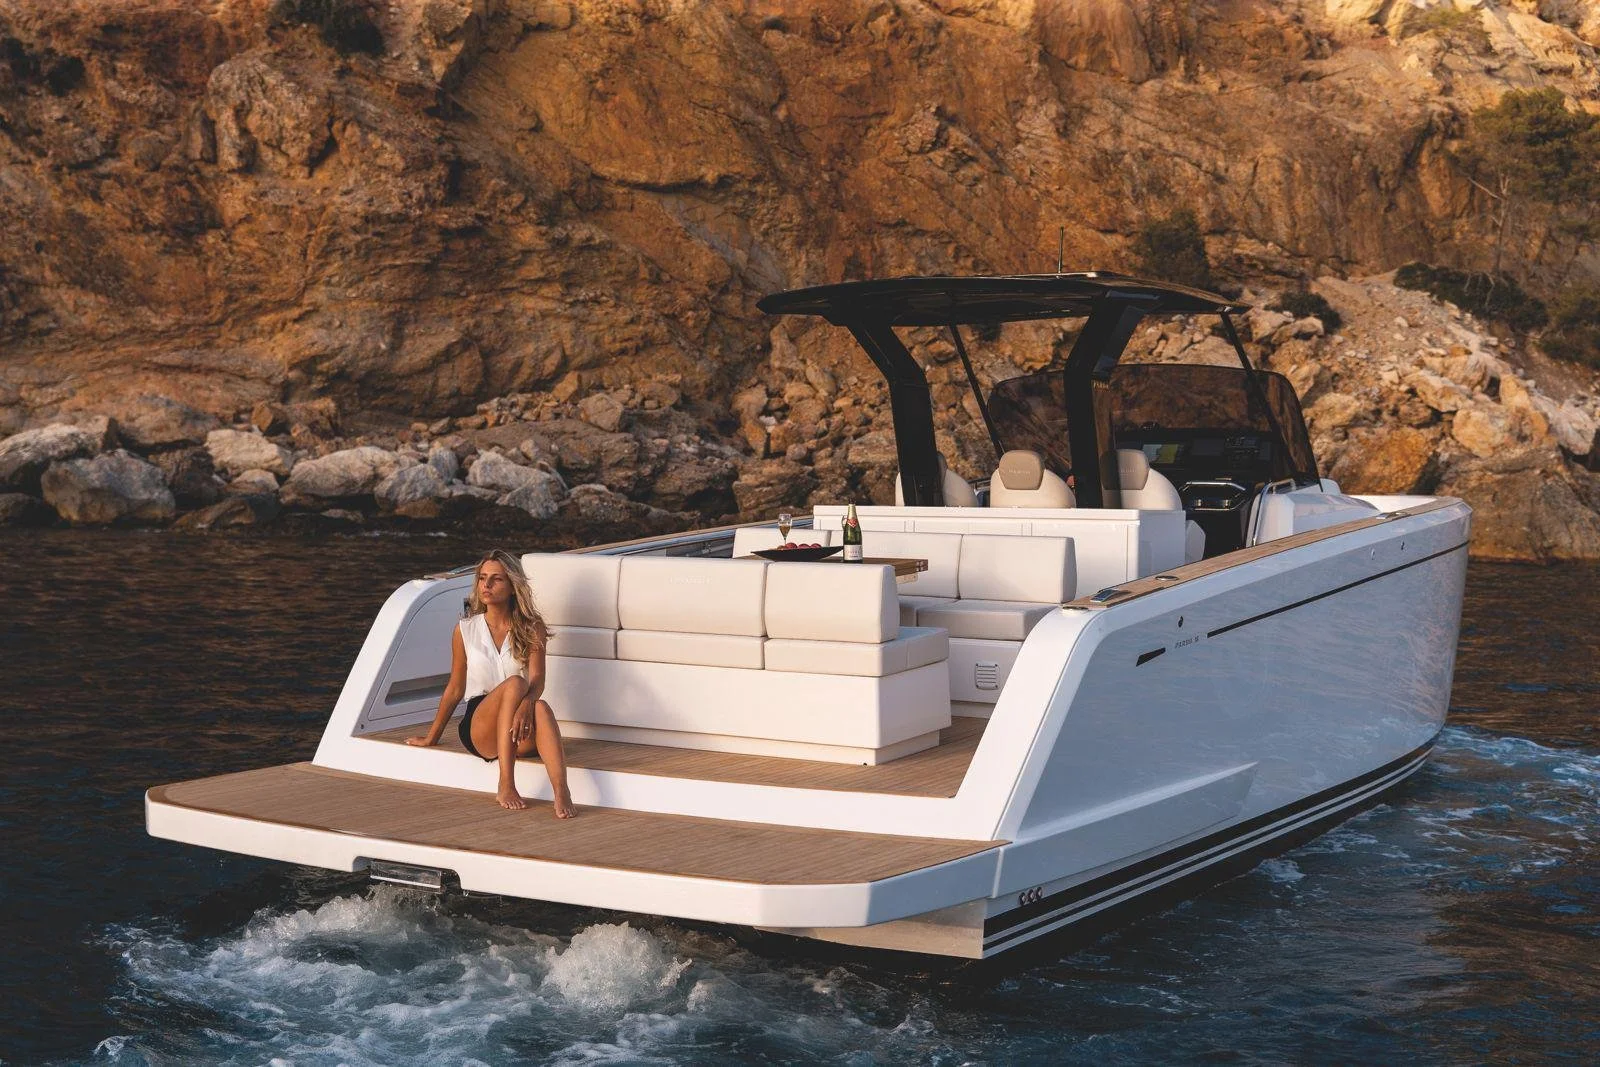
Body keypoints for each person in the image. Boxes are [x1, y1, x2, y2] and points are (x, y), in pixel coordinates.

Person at [406, 549, 576, 817]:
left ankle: (561, 790)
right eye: (483, 578)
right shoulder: (465, 630)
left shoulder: (533, 628)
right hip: (480, 726)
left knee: (540, 707)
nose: (486, 585)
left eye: (496, 579)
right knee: (515, 684)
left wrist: (527, 705)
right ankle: (506, 783)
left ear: (511, 587)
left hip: (519, 724)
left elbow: (538, 679)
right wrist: (432, 737)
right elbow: (455, 688)